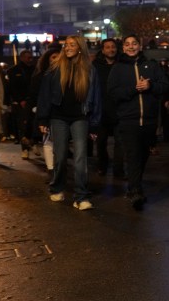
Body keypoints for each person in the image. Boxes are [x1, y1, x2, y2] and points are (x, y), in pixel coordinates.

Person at [36, 36, 101, 211]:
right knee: (61, 156)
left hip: (80, 117)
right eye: (66, 45)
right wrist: (42, 118)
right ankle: (57, 188)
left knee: (80, 157)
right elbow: (45, 94)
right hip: (58, 117)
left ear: (80, 48)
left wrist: (94, 124)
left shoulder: (90, 69)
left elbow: (95, 98)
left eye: (72, 45)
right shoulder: (55, 67)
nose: (68, 48)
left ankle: (81, 196)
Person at [107, 35, 169, 210]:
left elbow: (165, 85)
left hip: (149, 121)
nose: (131, 47)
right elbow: (112, 93)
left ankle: (134, 185)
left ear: (140, 46)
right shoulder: (118, 68)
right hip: (128, 120)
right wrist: (133, 89)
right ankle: (135, 190)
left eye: (134, 43)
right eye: (127, 44)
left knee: (143, 155)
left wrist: (151, 86)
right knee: (133, 155)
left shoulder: (151, 65)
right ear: (123, 48)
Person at [92, 38, 124, 178]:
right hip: (101, 110)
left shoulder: (122, 64)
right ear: (103, 50)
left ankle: (118, 170)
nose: (111, 49)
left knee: (120, 142)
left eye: (113, 47)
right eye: (108, 47)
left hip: (119, 109)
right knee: (101, 142)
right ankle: (102, 166)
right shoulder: (96, 66)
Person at [28, 47, 62, 175]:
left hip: (61, 113)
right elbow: (35, 95)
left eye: (59, 57)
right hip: (46, 112)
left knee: (60, 143)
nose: (57, 60)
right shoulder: (40, 76)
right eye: (53, 57)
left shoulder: (68, 74)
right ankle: (51, 169)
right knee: (48, 141)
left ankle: (58, 168)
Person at [6, 48, 35, 159]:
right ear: (22, 58)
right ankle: (25, 148)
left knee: (32, 125)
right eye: (28, 57)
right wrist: (20, 100)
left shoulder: (34, 69)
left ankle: (32, 143)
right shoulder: (14, 71)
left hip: (31, 101)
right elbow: (12, 88)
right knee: (23, 126)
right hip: (21, 103)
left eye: (31, 57)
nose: (30, 59)